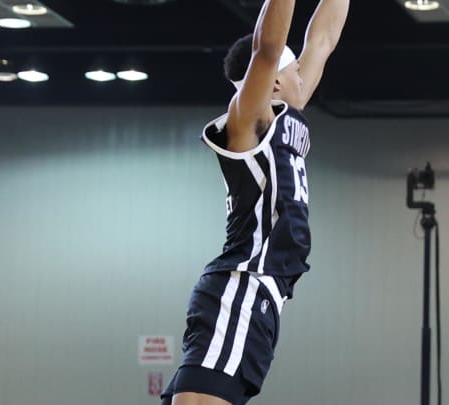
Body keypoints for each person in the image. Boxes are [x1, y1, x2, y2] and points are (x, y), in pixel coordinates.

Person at [160, 0, 349, 404]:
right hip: (242, 285)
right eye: (295, 70)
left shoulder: (286, 115)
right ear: (274, 81)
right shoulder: (246, 121)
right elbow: (267, 48)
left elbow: (324, 38)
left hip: (260, 294)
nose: (304, 75)